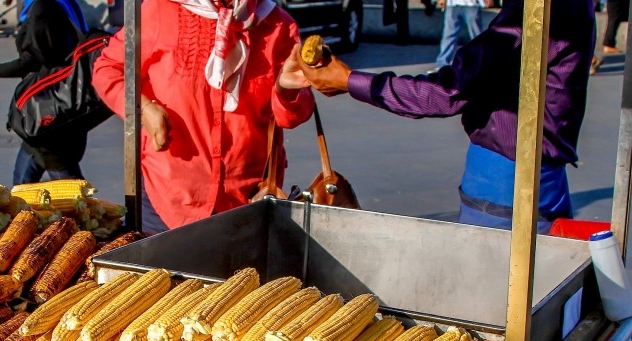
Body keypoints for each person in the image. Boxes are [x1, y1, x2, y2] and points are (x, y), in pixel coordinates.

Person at [284, 0, 594, 233]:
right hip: (500, 180)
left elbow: (448, 91)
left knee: (493, 303)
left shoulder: (542, 11)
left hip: (512, 186)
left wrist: (349, 80)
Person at [91, 0, 315, 233]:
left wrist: (286, 90)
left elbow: (293, 115)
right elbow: (108, 70)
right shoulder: (159, 10)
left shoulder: (278, 25)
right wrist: (144, 107)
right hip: (168, 196)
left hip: (248, 199)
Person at [0, 0, 92, 185]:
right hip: (51, 111)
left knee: (74, 195)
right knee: (21, 186)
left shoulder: (42, 9)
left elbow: (30, 61)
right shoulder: (63, 3)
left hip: (51, 116)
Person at [433, 0, 491, 71]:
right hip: (453, 5)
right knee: (449, 35)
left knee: (476, 35)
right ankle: (442, 64)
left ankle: (482, 61)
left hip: (471, 5)